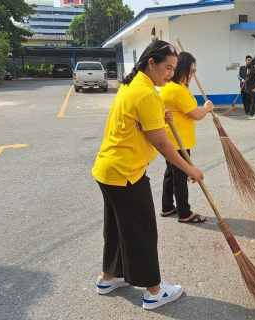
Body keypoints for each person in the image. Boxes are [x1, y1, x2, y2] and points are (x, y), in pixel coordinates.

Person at [91, 40, 204, 310]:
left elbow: (139, 122)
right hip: (125, 173)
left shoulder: (134, 86)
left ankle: (109, 278)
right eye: (167, 68)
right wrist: (190, 168)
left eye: (174, 69)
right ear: (150, 63)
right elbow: (162, 143)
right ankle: (154, 291)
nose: (171, 74)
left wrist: (158, 116)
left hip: (108, 170)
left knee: (118, 228)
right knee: (142, 231)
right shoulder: (146, 94)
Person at [159, 52, 214, 223]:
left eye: (194, 71)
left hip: (171, 139)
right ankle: (184, 213)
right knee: (181, 176)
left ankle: (167, 206)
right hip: (179, 141)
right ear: (180, 69)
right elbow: (196, 114)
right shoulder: (177, 90)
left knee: (171, 174)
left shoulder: (168, 87)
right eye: (190, 71)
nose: (192, 75)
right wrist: (206, 108)